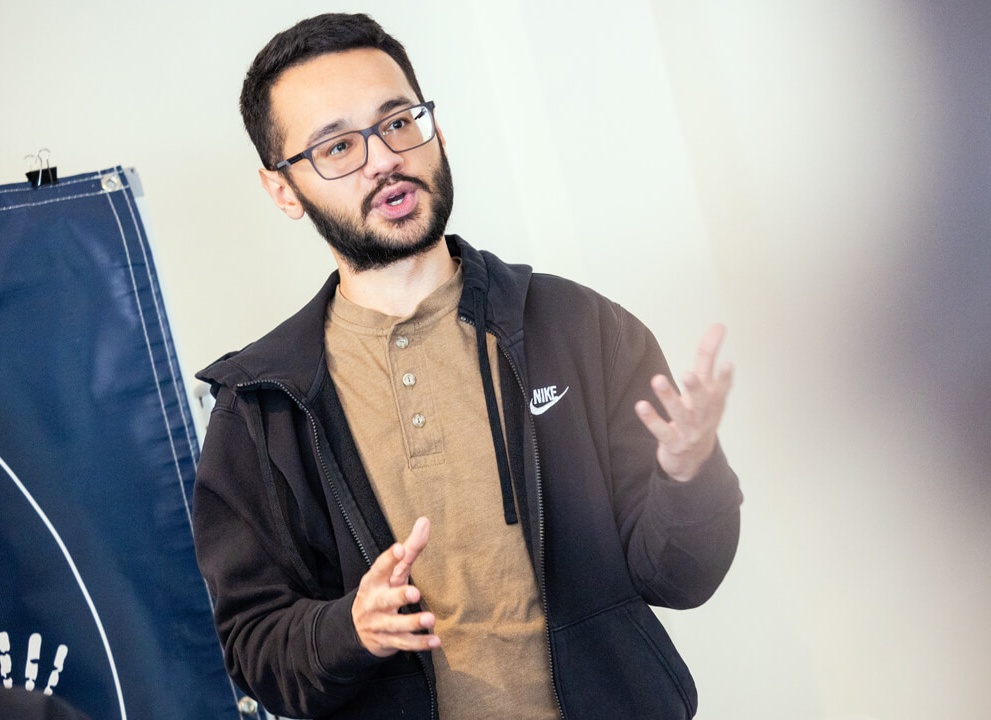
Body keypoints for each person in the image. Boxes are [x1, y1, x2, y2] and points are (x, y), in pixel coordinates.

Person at [191, 13, 742, 720]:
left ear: (436, 131)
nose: (383, 158)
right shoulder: (261, 407)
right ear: (283, 190)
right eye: (336, 146)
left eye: (398, 122)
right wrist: (349, 629)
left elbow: (681, 576)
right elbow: (256, 650)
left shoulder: (576, 327)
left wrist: (689, 474)